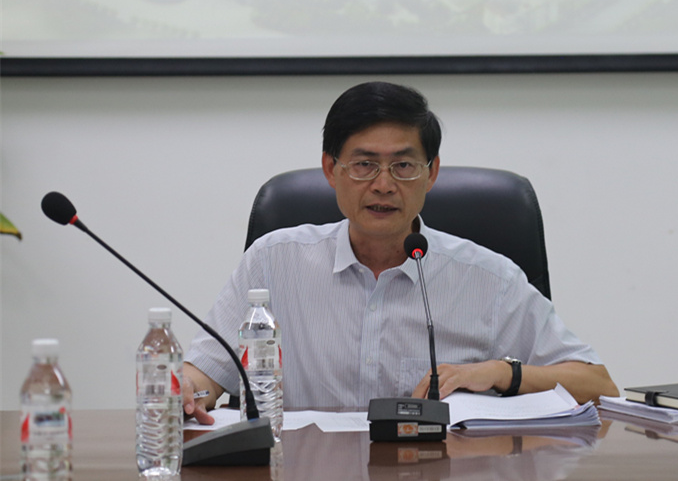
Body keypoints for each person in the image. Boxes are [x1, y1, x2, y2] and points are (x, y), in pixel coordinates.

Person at [183, 81, 618, 424]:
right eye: (364, 165)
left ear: (432, 173)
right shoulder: (274, 262)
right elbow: (205, 375)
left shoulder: (489, 279)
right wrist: (185, 390)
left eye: (404, 166)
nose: (384, 185)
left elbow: (599, 386)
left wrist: (500, 372)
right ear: (331, 170)